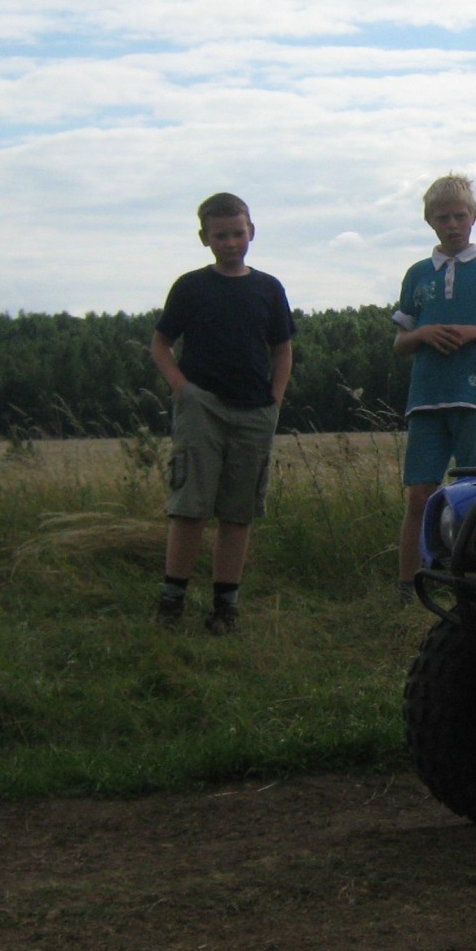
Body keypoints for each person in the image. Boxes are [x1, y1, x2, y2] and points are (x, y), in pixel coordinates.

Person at [151, 192, 295, 635]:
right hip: (203, 409)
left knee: (238, 512)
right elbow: (161, 343)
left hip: (255, 412)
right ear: (204, 239)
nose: (231, 243)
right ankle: (172, 601)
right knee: (190, 507)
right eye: (221, 236)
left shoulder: (268, 288)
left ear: (251, 232)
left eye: (237, 233)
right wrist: (183, 390)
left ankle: (225, 606)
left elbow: (283, 349)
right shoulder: (191, 287)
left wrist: (274, 401)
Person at [393, 173, 476, 603]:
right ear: (429, 221)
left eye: (459, 216)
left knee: (472, 495)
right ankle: (409, 584)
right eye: (442, 218)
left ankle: (470, 583)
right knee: (420, 495)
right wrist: (422, 335)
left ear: (474, 216)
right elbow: (400, 342)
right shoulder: (418, 274)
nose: (452, 225)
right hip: (426, 399)